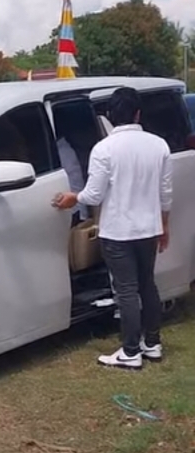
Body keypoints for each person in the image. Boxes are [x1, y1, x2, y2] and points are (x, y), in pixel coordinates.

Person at [52, 87, 172, 370]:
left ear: (109, 115)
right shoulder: (159, 145)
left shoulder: (104, 149)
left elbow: (94, 195)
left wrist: (73, 197)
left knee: (126, 290)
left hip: (118, 232)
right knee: (147, 284)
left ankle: (130, 351)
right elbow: (165, 193)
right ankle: (152, 343)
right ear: (138, 114)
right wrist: (164, 225)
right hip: (148, 228)